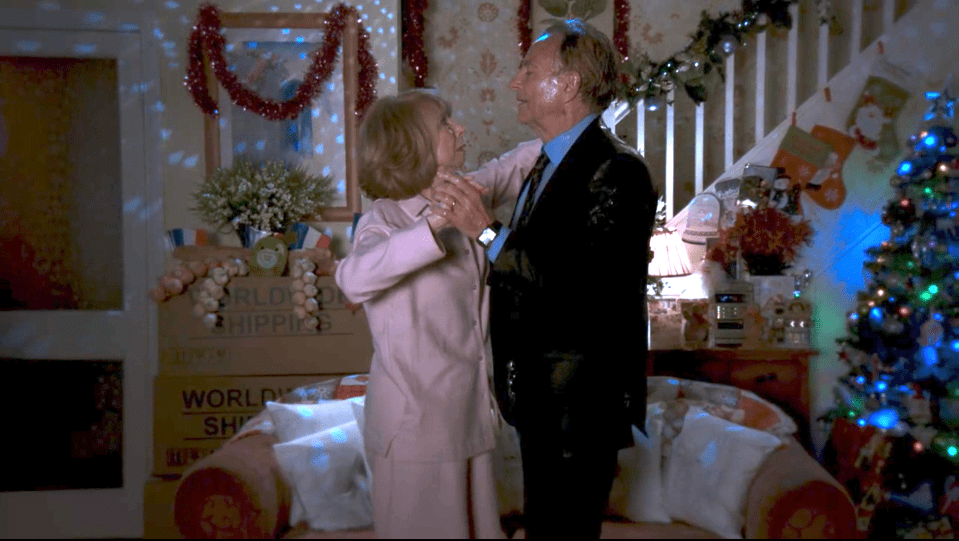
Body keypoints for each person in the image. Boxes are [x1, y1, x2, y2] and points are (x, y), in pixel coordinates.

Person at [431, 19, 657, 538]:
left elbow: (582, 289)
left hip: (580, 405)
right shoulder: (546, 161)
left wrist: (485, 232)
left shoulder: (618, 170)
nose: (515, 83)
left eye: (528, 71)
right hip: (541, 401)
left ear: (569, 85)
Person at [334, 89, 540, 538]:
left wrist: (567, 129)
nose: (460, 128)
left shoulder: (463, 195)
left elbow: (514, 166)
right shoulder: (383, 220)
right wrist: (435, 224)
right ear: (414, 147)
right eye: (446, 124)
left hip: (470, 420)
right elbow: (352, 278)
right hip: (415, 431)